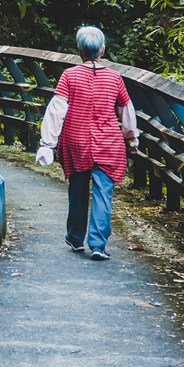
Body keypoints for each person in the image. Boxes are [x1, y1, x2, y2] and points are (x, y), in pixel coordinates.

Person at [34, 26, 138, 261]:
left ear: (79, 50)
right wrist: (131, 139)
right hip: (109, 142)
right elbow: (126, 111)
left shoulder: (69, 76)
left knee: (78, 189)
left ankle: (75, 237)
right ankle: (98, 244)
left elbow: (56, 110)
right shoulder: (115, 78)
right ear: (102, 50)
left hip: (76, 140)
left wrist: (47, 143)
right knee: (103, 193)